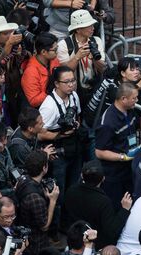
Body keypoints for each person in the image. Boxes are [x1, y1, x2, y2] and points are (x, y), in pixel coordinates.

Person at [62, 160, 132, 249]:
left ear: (82, 175)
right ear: (103, 178)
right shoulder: (103, 202)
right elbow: (112, 231)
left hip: (76, 237)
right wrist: (125, 210)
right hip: (96, 243)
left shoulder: (71, 191)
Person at [38, 66, 83, 197]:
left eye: (73, 81)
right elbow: (39, 134)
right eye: (67, 82)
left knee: (74, 186)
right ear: (56, 84)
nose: (71, 85)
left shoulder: (74, 96)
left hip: (74, 148)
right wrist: (59, 135)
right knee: (60, 190)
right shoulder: (49, 106)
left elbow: (78, 114)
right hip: (58, 154)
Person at [94, 83, 139, 205]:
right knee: (115, 204)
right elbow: (99, 152)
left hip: (128, 170)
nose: (137, 100)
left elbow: (137, 125)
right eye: (134, 98)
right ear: (124, 99)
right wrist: (122, 157)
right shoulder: (108, 123)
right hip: (113, 174)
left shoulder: (130, 111)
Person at [57, 10, 106, 110]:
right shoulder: (64, 44)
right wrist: (77, 57)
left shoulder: (96, 41)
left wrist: (95, 59)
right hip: (74, 91)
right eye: (89, 26)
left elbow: (102, 69)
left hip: (94, 87)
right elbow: (64, 72)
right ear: (78, 29)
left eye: (92, 25)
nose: (93, 28)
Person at [15, 150, 60, 255]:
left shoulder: (22, 179)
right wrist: (53, 201)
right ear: (44, 168)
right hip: (35, 242)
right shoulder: (35, 199)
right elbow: (44, 226)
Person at [20, 32, 61, 108]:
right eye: (55, 50)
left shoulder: (54, 60)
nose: (57, 52)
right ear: (43, 52)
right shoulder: (31, 72)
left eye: (57, 48)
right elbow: (34, 101)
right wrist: (51, 91)